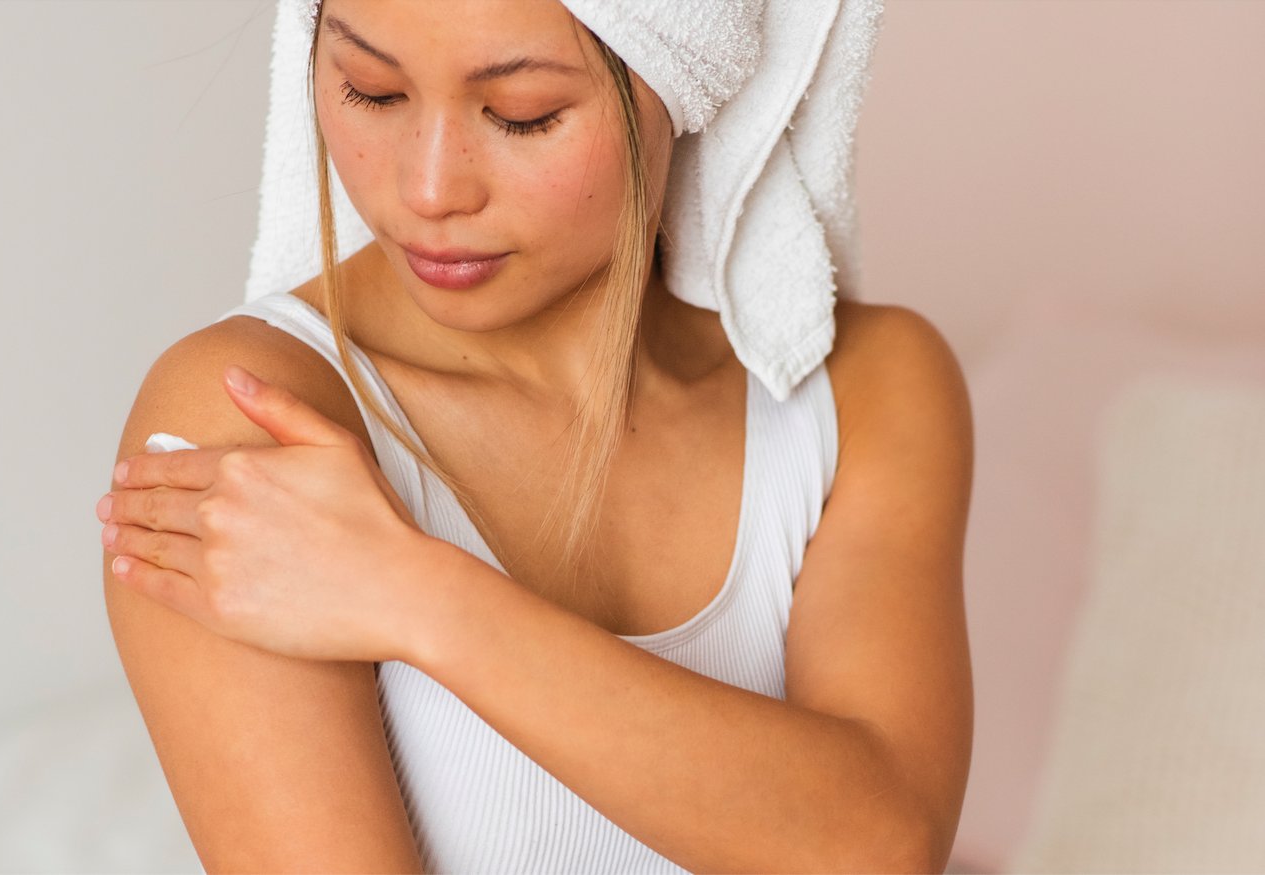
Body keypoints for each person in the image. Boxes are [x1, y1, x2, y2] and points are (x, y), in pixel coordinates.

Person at [95, 0, 974, 871]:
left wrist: (414, 593)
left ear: (680, 76)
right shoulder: (250, 416)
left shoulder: (863, 390)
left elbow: (882, 846)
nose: (429, 190)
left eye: (523, 115)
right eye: (372, 91)